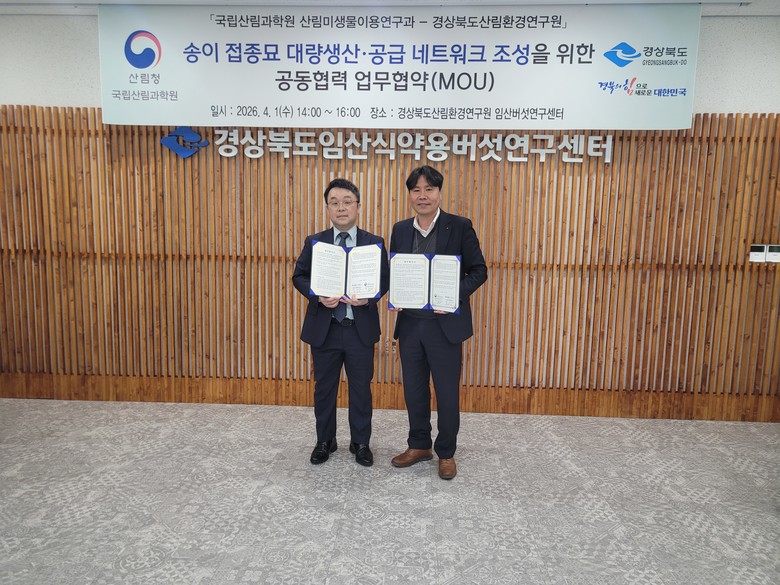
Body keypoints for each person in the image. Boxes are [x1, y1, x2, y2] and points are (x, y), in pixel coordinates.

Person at [388, 165, 487, 479]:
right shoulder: (400, 229)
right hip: (410, 325)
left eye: (429, 189)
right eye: (416, 190)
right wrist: (395, 293)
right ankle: (419, 445)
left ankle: (446, 452)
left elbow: (479, 271)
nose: (423, 195)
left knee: (446, 394)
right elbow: (397, 271)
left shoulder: (459, 226)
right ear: (410, 195)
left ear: (439, 193)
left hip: (445, 328)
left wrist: (452, 296)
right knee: (414, 391)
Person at [292, 178, 389, 467]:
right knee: (324, 389)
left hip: (359, 329)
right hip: (326, 329)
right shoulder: (315, 242)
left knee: (361, 389)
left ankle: (361, 443)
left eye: (347, 202)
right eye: (334, 203)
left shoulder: (374, 243)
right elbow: (299, 276)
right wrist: (317, 295)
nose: (341, 208)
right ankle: (325, 440)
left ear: (358, 206)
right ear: (327, 208)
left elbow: (384, 280)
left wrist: (368, 298)